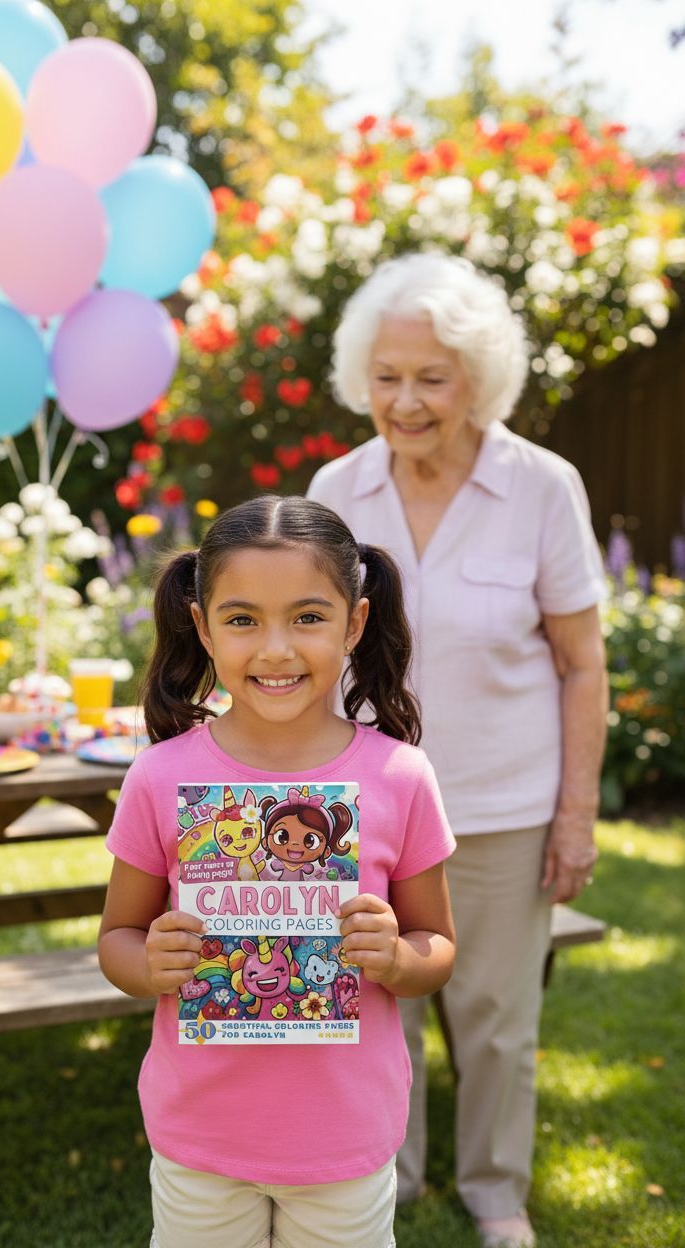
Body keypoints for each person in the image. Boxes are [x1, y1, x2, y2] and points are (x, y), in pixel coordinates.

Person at [307, 252, 608, 1248]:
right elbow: (307, 643)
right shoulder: (338, 487)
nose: (405, 401)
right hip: (364, 806)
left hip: (500, 805)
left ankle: (494, 1192)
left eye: (431, 378)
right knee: (368, 1000)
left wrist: (574, 814)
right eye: (386, 377)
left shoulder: (541, 486)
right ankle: (380, 1180)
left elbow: (582, 662)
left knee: (495, 1019)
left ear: (477, 379)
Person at [98, 495, 457, 1248]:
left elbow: (438, 949)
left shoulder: (400, 776)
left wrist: (397, 958)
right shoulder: (159, 777)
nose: (275, 649)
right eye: (241, 620)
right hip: (199, 1132)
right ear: (202, 627)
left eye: (307, 617)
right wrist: (149, 962)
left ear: (354, 623)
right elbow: (117, 940)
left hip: (345, 1135)